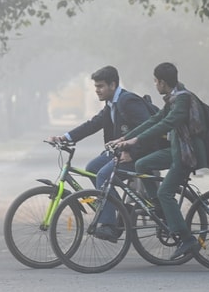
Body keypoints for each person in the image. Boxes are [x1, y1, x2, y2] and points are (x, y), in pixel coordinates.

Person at [47, 65, 156, 242]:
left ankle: (109, 226)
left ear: (112, 85)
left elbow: (149, 127)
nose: (96, 90)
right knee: (92, 168)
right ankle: (119, 210)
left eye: (100, 86)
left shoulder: (128, 101)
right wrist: (64, 138)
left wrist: (132, 152)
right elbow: (92, 125)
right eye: (95, 86)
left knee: (104, 176)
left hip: (139, 153)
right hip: (121, 150)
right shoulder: (111, 103)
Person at [113, 62, 207, 259]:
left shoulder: (182, 100)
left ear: (162, 82)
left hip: (187, 154)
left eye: (155, 81)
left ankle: (187, 239)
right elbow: (154, 120)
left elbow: (166, 123)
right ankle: (157, 204)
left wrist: (136, 140)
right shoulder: (174, 98)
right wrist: (125, 138)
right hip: (176, 150)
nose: (155, 85)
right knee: (142, 164)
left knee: (166, 192)